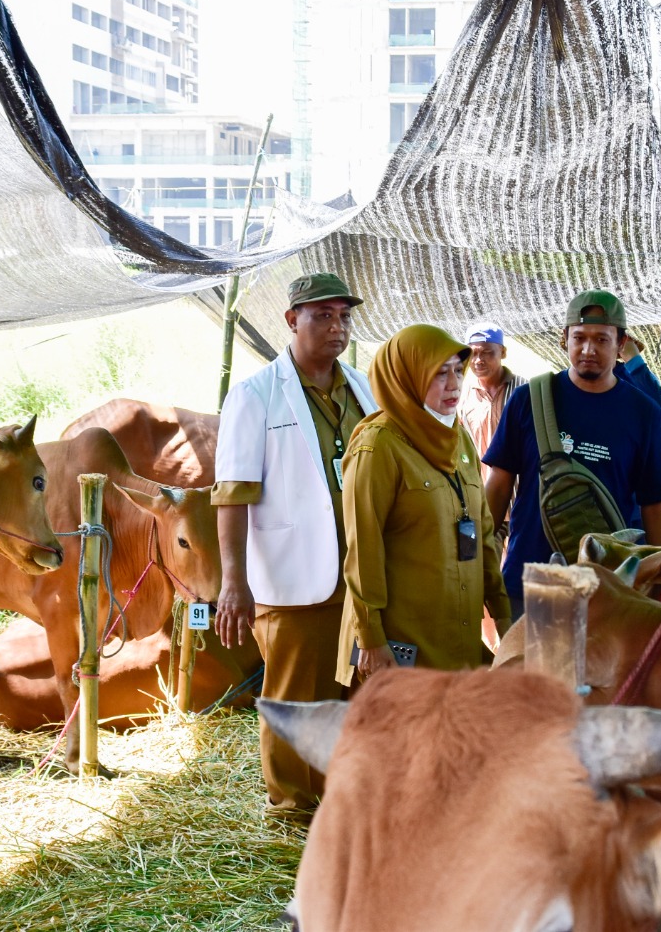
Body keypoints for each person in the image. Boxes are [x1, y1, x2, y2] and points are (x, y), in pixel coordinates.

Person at [212, 272, 376, 818]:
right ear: (292, 320)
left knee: (351, 692)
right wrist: (234, 583)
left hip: (359, 572)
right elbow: (232, 495)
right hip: (291, 574)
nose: (337, 327)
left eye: (344, 317)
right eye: (323, 316)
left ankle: (339, 799)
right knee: (292, 695)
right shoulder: (255, 394)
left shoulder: (362, 386)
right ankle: (289, 809)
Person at [483, 290, 661, 615]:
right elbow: (499, 485)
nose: (589, 349)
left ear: (621, 344)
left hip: (608, 590)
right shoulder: (528, 400)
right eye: (580, 338)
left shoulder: (645, 415)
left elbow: (656, 507)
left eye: (602, 339)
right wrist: (479, 557)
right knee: (525, 667)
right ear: (564, 339)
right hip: (529, 582)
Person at [336, 325, 511, 684]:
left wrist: (505, 619)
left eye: (456, 371)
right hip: (400, 648)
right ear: (406, 378)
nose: (453, 384)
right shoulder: (379, 445)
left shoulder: (457, 436)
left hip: (456, 637)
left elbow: (483, 533)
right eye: (438, 373)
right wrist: (371, 640)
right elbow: (363, 550)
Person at [457, 322, 525, 474]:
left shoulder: (524, 391)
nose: (478, 360)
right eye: (473, 353)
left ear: (503, 352)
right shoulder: (461, 396)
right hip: (479, 491)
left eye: (487, 352)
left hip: (520, 491)